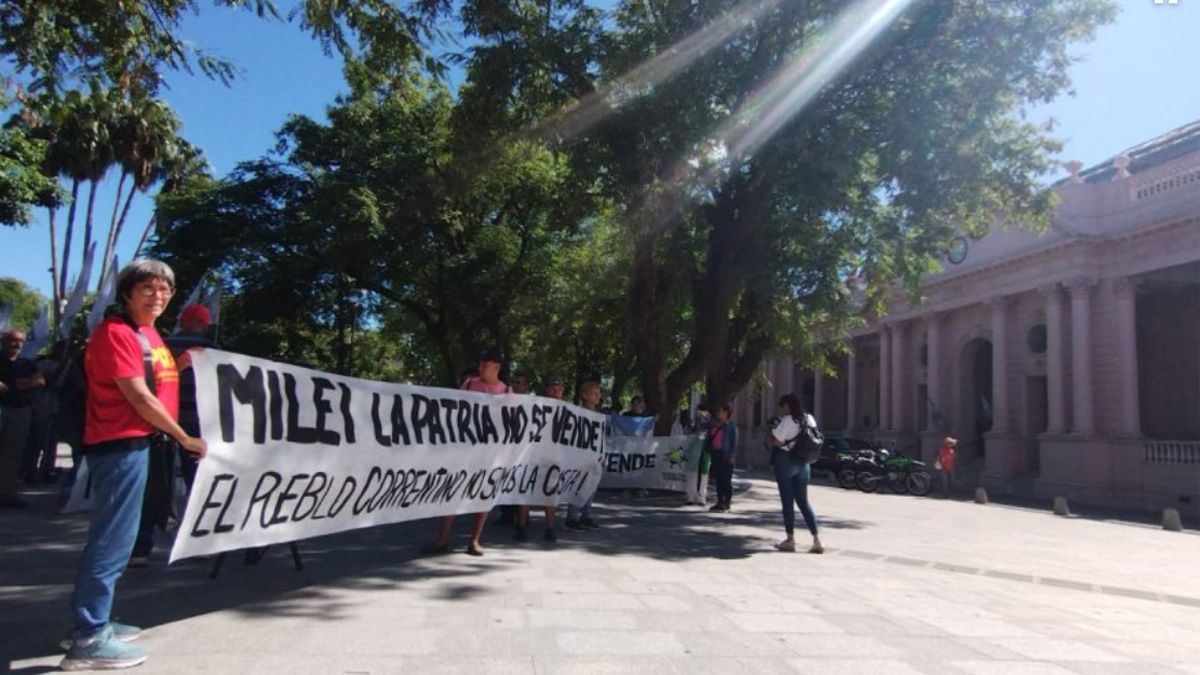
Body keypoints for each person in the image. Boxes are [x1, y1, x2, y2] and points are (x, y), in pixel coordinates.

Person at [60, 259, 207, 672]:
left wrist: (180, 366)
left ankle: (94, 620)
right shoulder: (116, 333)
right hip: (120, 445)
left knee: (120, 539)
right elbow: (140, 398)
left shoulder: (150, 334)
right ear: (127, 293)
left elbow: (156, 380)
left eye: (164, 290)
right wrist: (185, 437)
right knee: (113, 541)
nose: (157, 296)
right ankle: (88, 636)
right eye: (147, 288)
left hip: (140, 445)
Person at [424, 348, 508, 557]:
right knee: (453, 491)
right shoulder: (469, 384)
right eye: (480, 364)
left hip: (490, 452)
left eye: (484, 364)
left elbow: (509, 423)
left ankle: (475, 541)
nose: (480, 367)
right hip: (465, 450)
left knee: (484, 495)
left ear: (496, 367)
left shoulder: (506, 392)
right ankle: (442, 539)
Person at [768, 393, 823, 554]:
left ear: (788, 406)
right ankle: (816, 540)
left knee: (787, 502)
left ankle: (790, 539)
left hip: (786, 460)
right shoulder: (809, 418)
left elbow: (777, 441)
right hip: (804, 462)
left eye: (783, 406)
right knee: (804, 502)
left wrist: (772, 431)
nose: (782, 410)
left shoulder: (787, 420)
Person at [515, 375, 566, 543]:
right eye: (553, 387)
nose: (556, 390)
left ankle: (549, 528)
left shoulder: (567, 409)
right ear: (547, 389)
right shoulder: (536, 405)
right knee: (526, 492)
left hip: (553, 457)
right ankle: (521, 526)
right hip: (533, 455)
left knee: (550, 495)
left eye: (559, 388)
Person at [0, 329, 45, 508]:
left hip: (19, 411)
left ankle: (6, 493)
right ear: (3, 341)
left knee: (13, 453)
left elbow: (40, 381)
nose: (17, 344)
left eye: (20, 341)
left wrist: (23, 384)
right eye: (13, 340)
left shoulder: (27, 364)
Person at [565, 380, 602, 530]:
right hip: (580, 455)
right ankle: (572, 516)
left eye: (599, 394)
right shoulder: (577, 412)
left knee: (592, 485)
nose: (597, 396)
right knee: (579, 485)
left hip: (595, 455)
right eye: (594, 393)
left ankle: (587, 515)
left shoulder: (599, 415)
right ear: (585, 395)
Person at [707, 403, 739, 513]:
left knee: (726, 479)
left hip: (725, 454)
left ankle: (727, 501)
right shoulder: (714, 424)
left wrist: (732, 455)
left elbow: (734, 442)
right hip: (716, 454)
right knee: (718, 479)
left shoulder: (731, 426)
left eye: (720, 411)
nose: (718, 413)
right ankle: (719, 501)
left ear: (726, 412)